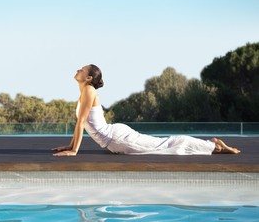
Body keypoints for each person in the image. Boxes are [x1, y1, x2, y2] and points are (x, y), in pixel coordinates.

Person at [52, 64, 241, 156]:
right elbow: (82, 123)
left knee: (164, 147)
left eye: (82, 70)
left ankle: (213, 145)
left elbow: (81, 122)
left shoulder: (88, 91)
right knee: (163, 145)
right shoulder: (86, 91)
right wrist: (71, 146)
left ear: (88, 78)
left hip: (117, 138)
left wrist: (74, 151)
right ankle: (211, 144)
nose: (78, 69)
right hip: (116, 137)